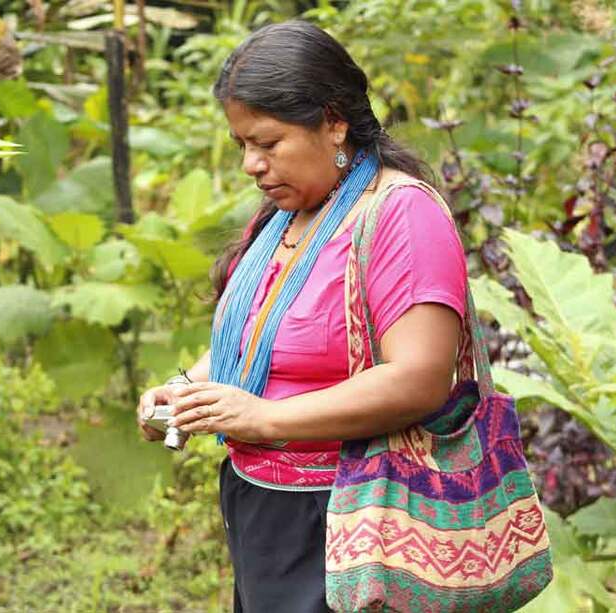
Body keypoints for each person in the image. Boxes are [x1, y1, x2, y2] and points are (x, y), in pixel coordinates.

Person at [136, 20, 467, 613]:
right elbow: (257, 338)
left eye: (268, 143)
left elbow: (421, 378)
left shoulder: (399, 215)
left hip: (355, 517)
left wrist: (267, 417)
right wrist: (186, 390)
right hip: (266, 508)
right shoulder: (287, 216)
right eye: (243, 145)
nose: (251, 166)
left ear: (334, 121)